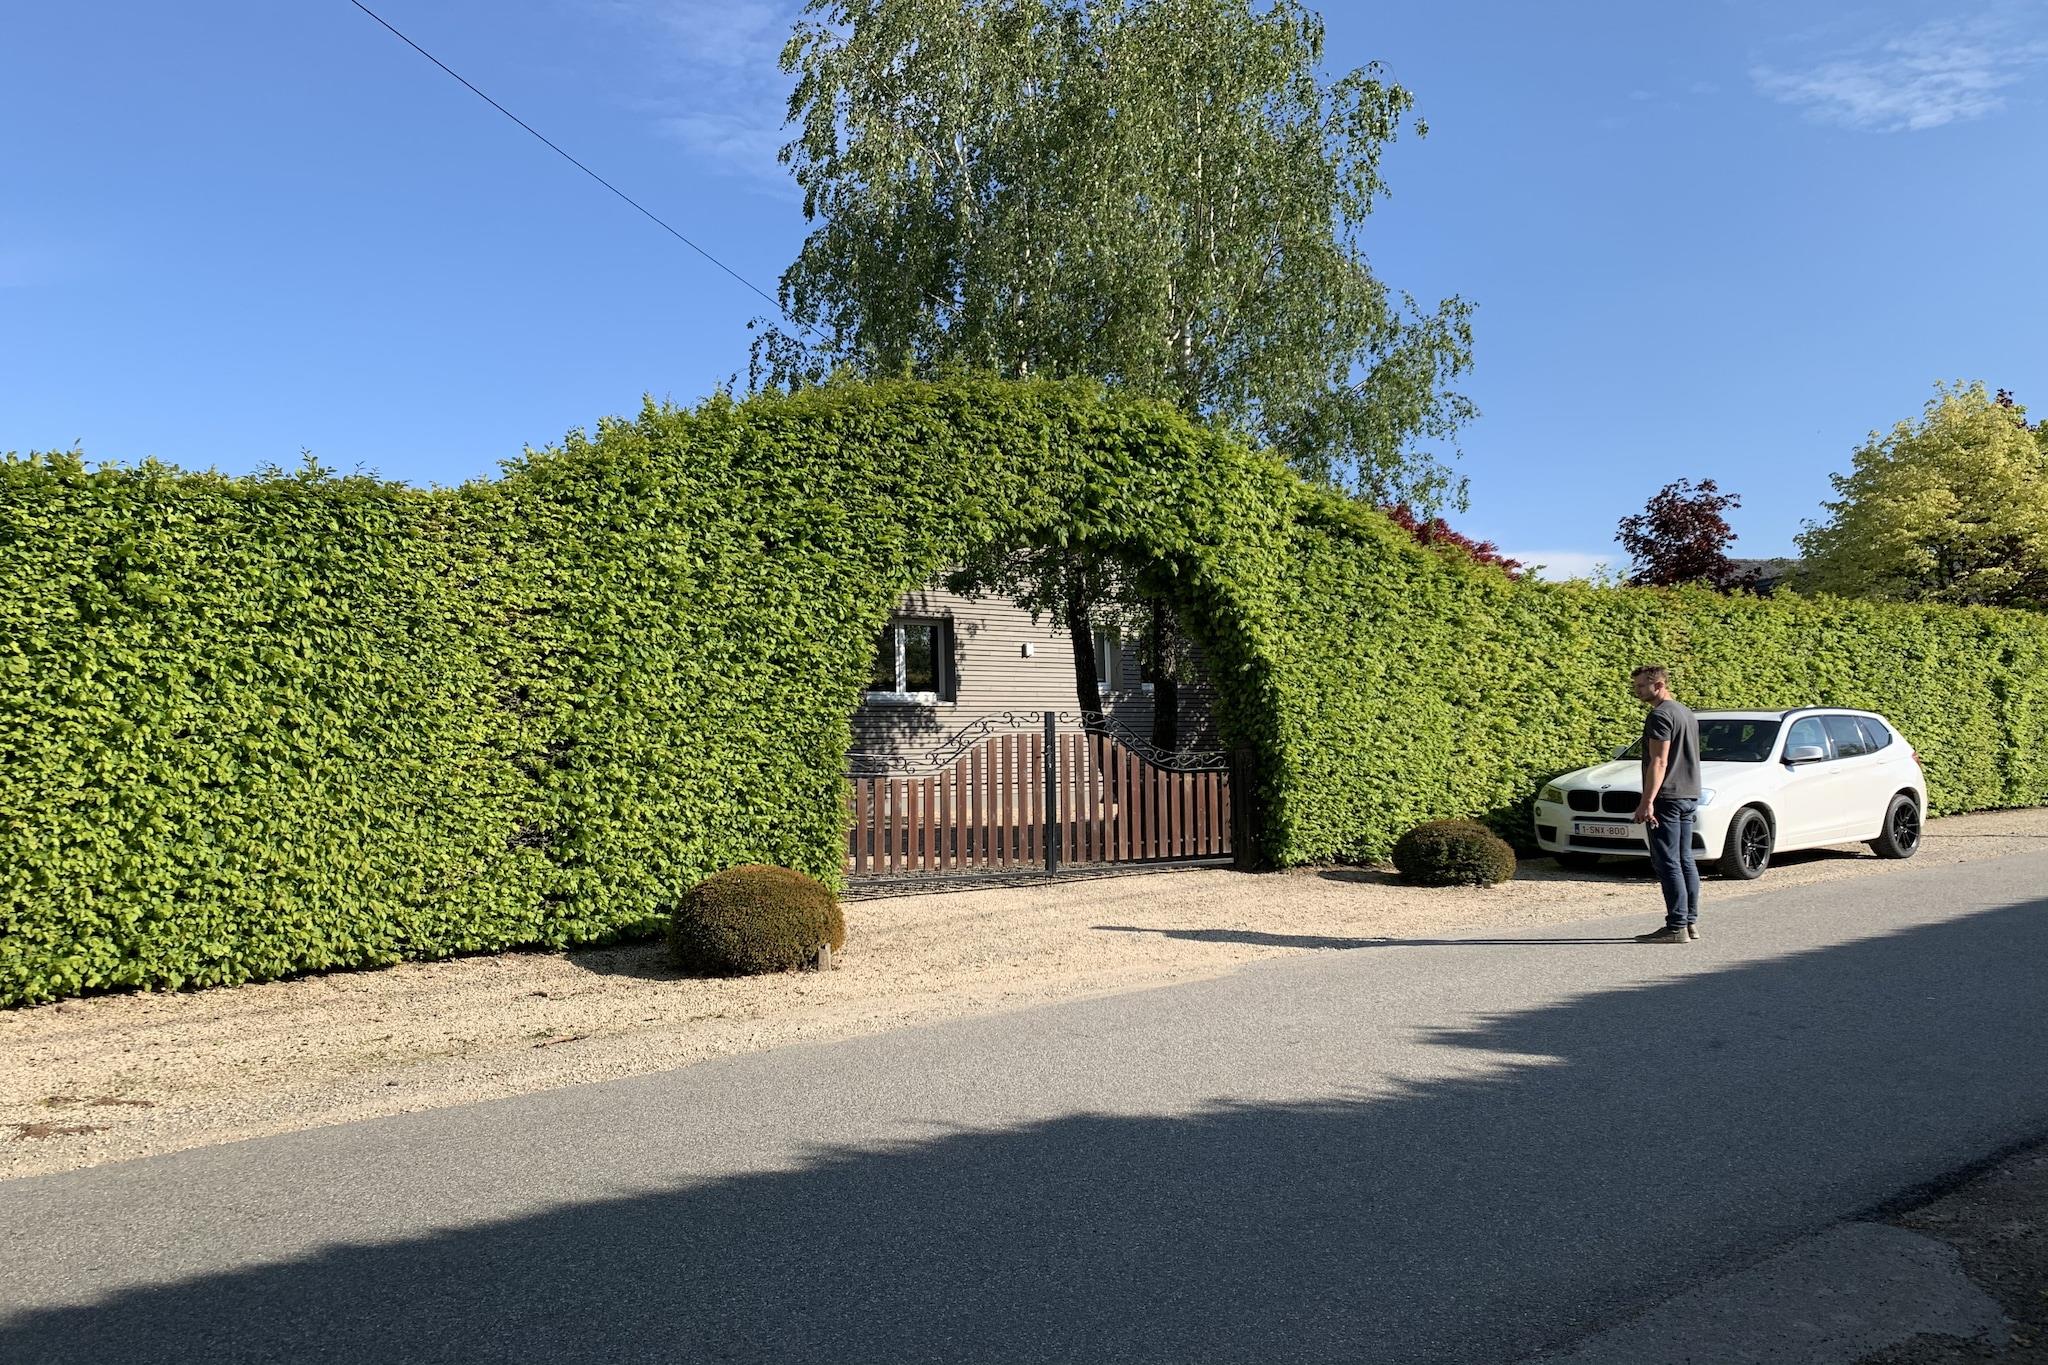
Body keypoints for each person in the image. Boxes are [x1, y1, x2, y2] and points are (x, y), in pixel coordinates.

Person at [1629, 666, 1702, 944]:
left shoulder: (1660, 715)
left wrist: (1647, 801)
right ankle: (1689, 922)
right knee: (1684, 859)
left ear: (1658, 685)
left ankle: (1676, 927)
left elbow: (1659, 761)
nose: (1636, 691)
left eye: (1641, 686)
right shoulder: (1685, 712)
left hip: (1667, 797)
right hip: (1688, 794)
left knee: (1668, 861)